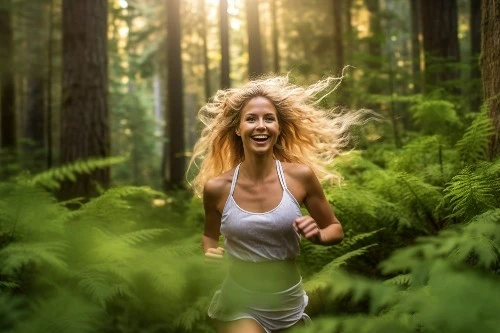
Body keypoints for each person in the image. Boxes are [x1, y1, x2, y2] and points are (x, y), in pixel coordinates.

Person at [188, 75, 360, 333]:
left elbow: (335, 228)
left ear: (278, 128)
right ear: (237, 128)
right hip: (239, 302)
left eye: (269, 118)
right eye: (251, 119)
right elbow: (208, 236)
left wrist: (320, 235)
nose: (261, 126)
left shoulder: (300, 178)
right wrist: (209, 252)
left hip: (288, 303)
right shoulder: (218, 188)